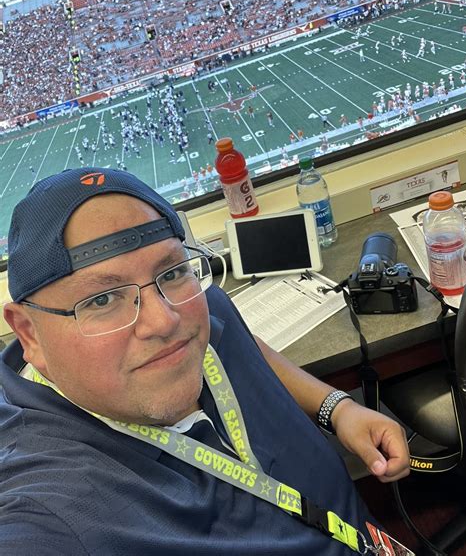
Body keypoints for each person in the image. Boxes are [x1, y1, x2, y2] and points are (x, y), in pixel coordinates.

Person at [0, 168, 410, 555]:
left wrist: (336, 408)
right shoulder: (50, 508)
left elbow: (240, 342)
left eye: (172, 271)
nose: (165, 320)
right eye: (102, 300)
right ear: (30, 334)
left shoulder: (199, 305)